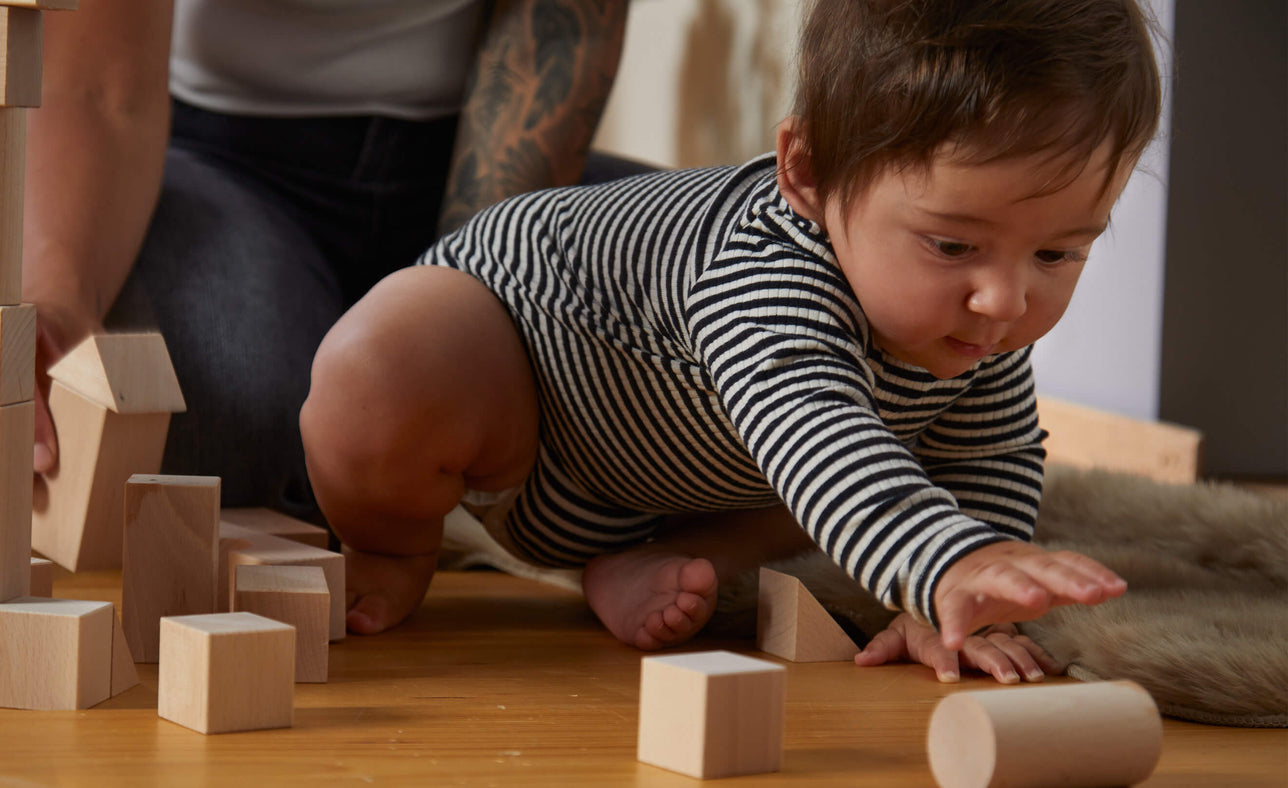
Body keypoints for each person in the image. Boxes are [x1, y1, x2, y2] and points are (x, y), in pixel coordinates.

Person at [299, 0, 1161, 682]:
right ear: (809, 174)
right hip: (532, 395)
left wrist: (965, 598)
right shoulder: (765, 271)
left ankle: (642, 561)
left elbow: (989, 456)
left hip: (692, 473)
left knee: (867, 484)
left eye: (1060, 251)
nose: (1004, 299)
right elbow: (814, 431)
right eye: (952, 244)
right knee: (377, 368)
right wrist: (946, 561)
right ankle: (389, 543)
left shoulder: (975, 312)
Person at [24, 0, 631, 524]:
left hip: (470, 156)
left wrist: (473, 332)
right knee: (231, 420)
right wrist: (60, 296)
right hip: (224, 164)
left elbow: (557, 32)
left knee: (700, 296)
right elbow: (97, 86)